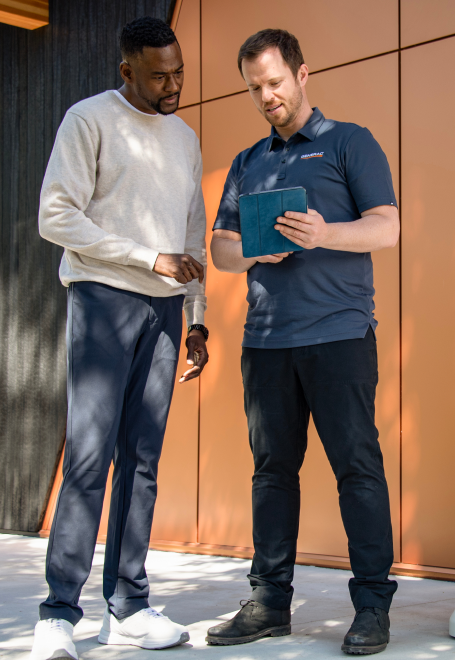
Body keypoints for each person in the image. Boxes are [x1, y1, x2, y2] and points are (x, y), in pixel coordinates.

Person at [207, 28, 399, 655]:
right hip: (266, 343)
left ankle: (372, 604)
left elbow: (387, 227)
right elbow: (222, 250)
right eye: (255, 88)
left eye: (275, 82)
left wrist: (325, 233)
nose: (267, 96)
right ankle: (269, 604)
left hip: (340, 336)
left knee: (357, 470)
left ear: (302, 74)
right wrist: (259, 245)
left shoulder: (350, 142)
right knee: (272, 474)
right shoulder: (246, 162)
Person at [30, 16, 209, 660]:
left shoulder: (186, 137)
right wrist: (143, 257)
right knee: (88, 455)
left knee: (142, 459)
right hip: (104, 300)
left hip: (165, 313)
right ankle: (57, 613)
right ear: (126, 70)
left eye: (179, 70)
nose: (172, 83)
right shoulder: (88, 120)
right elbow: (55, 215)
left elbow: (192, 233)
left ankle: (129, 605)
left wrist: (196, 317)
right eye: (158, 74)